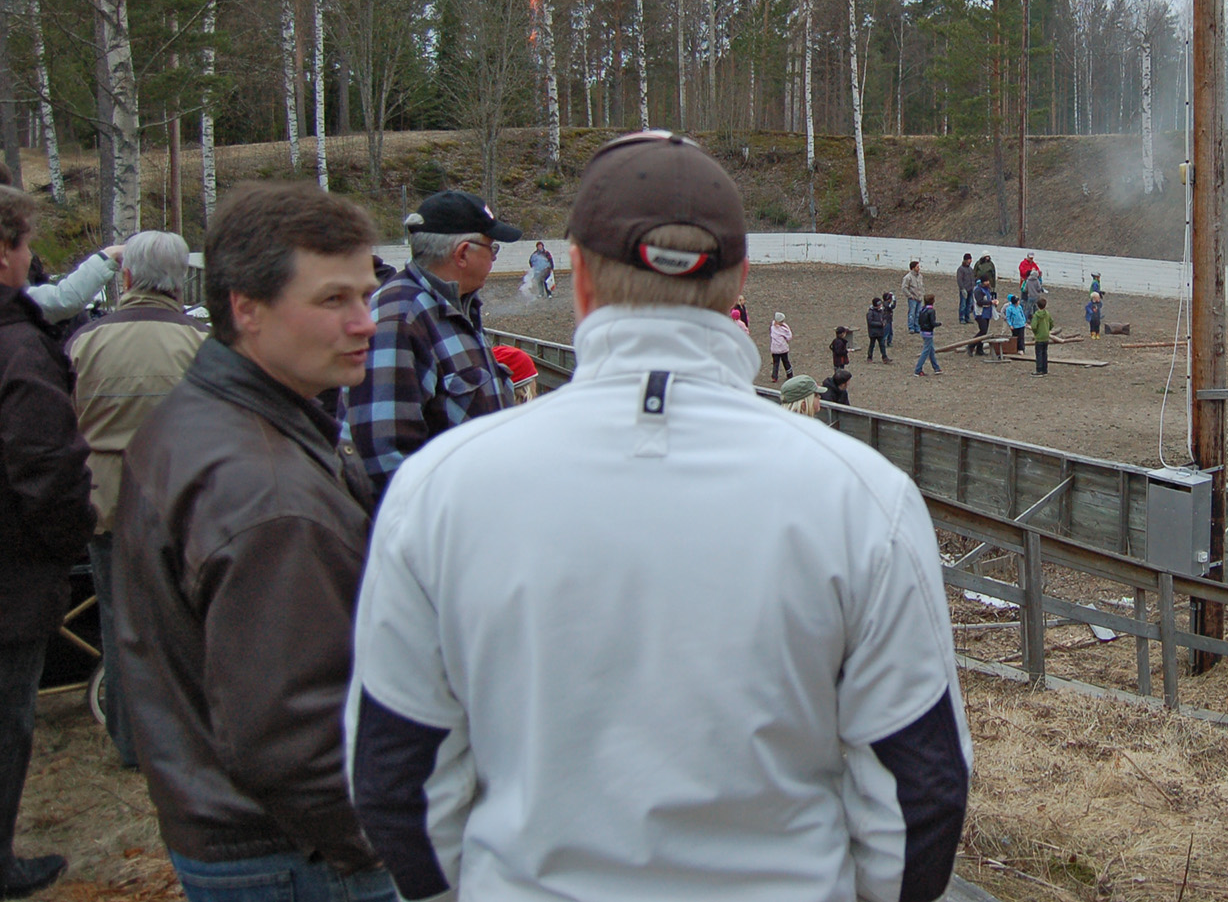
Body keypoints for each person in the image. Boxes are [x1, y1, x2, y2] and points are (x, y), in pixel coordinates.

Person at [346, 130, 967, 902]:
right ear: (737, 279)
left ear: (576, 279)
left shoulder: (437, 490)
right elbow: (920, 792)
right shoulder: (864, 498)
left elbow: (395, 778)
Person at [117, 183, 393, 902]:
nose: (366, 323)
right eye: (334, 300)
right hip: (293, 856)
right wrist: (388, 845)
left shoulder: (206, 416)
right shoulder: (266, 495)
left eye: (367, 295)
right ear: (246, 307)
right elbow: (292, 739)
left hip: (236, 829)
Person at [66, 231, 205, 770]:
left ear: (125, 279)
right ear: (180, 280)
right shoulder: (199, 344)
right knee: (187, 624)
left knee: (117, 623)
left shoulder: (85, 342)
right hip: (180, 501)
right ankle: (188, 739)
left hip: (106, 505)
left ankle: (129, 741)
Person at [0, 186, 95, 898]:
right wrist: (68, 541)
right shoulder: (18, 347)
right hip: (10, 578)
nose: (32, 262)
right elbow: (47, 464)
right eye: (26, 247)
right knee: (7, 724)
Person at [341, 190, 520, 503]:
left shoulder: (455, 307)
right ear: (463, 254)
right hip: (439, 534)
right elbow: (383, 459)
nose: (493, 259)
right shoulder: (400, 317)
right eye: (492, 249)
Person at [914, 294, 941, 377]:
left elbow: (919, 321)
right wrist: (938, 324)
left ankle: (936, 368)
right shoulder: (931, 311)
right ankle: (918, 369)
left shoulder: (922, 309)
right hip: (929, 332)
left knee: (931, 350)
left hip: (923, 331)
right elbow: (932, 323)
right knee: (926, 351)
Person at [1029, 296, 1054, 376]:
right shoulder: (1047, 314)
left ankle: (1039, 370)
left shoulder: (1036, 315)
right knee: (1044, 353)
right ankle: (1045, 369)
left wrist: (1035, 333)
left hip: (1039, 337)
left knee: (1039, 353)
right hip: (1046, 336)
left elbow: (1033, 326)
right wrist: (1048, 329)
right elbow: (1052, 323)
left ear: (1037, 305)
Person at [972, 278, 995, 356]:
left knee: (984, 332)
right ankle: (971, 345)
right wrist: (990, 302)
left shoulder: (987, 289)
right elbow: (979, 302)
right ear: (982, 282)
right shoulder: (978, 290)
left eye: (988, 281)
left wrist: (993, 302)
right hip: (980, 313)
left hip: (987, 312)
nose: (988, 282)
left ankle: (979, 349)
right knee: (983, 330)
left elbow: (989, 298)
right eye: (986, 281)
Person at [901, 260, 925, 337]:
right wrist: (910, 296)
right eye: (917, 267)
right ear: (913, 268)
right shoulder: (907, 277)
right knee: (912, 313)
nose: (919, 268)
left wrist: (921, 295)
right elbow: (904, 288)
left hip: (919, 298)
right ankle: (911, 327)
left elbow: (921, 286)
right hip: (913, 298)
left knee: (918, 313)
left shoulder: (920, 276)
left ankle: (917, 327)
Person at [769, 311, 793, 382]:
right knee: (786, 362)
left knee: (776, 363)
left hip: (775, 350)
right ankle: (789, 374)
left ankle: (774, 376)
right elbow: (789, 336)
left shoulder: (772, 328)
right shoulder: (784, 329)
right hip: (783, 349)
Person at [865, 297, 890, 363]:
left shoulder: (881, 311)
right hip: (873, 332)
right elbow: (870, 322)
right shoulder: (870, 312)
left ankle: (884, 357)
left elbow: (884, 317)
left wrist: (884, 322)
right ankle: (869, 357)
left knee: (882, 345)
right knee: (872, 345)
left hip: (880, 332)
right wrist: (880, 324)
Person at [955, 253, 975, 324]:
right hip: (964, 290)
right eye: (969, 259)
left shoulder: (970, 269)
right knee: (963, 304)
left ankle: (967, 317)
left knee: (969, 304)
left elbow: (973, 278)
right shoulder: (961, 269)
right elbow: (959, 280)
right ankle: (961, 318)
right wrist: (962, 288)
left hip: (970, 289)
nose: (970, 261)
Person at [881, 289, 897, 354]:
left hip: (889, 319)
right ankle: (883, 342)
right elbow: (892, 306)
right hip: (886, 320)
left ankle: (889, 341)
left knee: (890, 332)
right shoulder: (885, 304)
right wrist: (894, 300)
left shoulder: (886, 304)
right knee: (886, 331)